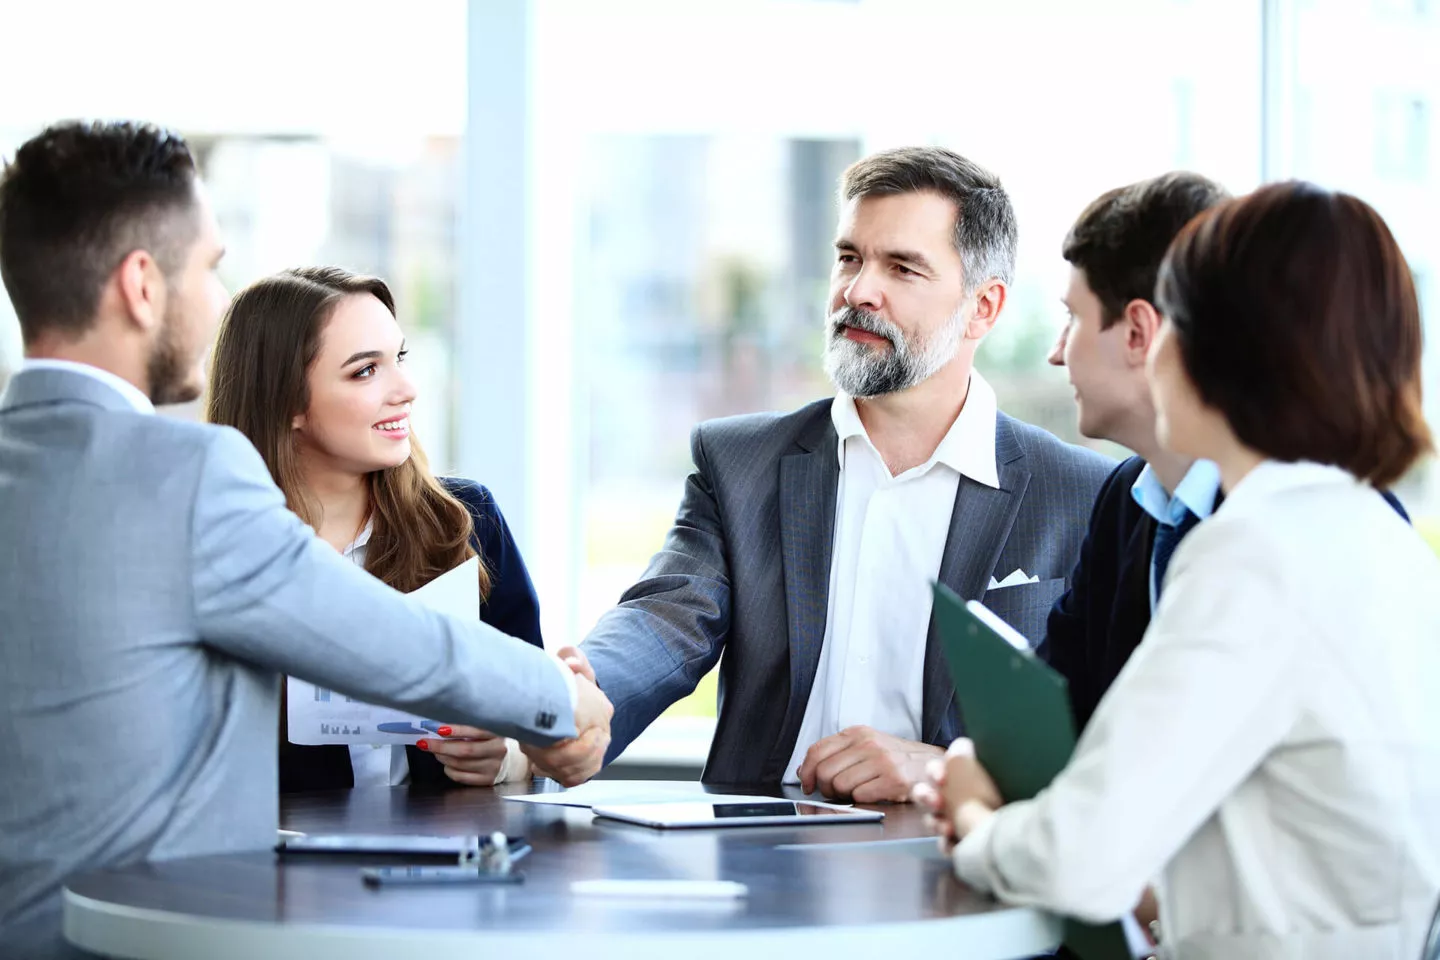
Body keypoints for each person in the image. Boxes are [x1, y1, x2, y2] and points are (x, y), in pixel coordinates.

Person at [0, 120, 610, 958]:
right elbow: (394, 645)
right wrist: (558, 695)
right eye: (210, 268)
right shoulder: (187, 474)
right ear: (142, 285)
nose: (218, 302)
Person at [918, 181, 1440, 959]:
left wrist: (974, 821)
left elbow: (1078, 861)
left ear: (1217, 352)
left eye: (1172, 328)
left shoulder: (1258, 549)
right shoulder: (1372, 536)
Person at [575, 146, 1112, 800]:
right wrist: (577, 693)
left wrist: (945, 769)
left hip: (961, 867)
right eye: (849, 258)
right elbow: (663, 623)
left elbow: (1105, 738)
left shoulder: (1083, 498)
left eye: (903, 267)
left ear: (984, 308)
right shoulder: (740, 465)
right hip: (765, 870)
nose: (858, 291)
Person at [1038, 172, 1407, 736]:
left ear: (1145, 332)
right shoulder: (1126, 497)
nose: (1057, 353)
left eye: (1072, 317)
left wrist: (969, 793)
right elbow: (1060, 714)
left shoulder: (1290, 535)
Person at [208, 266, 543, 791]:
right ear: (288, 402)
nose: (406, 390)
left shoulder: (465, 523)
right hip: (278, 866)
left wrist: (508, 761)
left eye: (400, 358)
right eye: (366, 370)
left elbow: (535, 725)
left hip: (447, 862)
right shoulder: (215, 556)